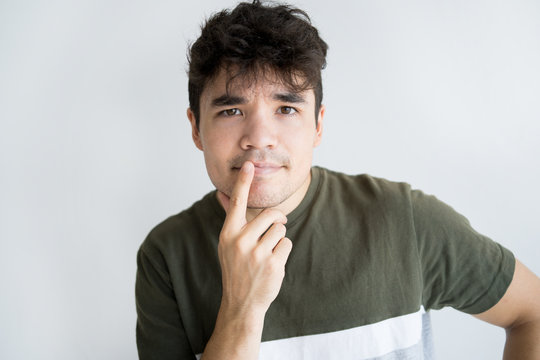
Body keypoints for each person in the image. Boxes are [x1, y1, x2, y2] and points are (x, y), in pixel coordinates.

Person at [135, 1, 540, 359]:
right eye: (231, 111)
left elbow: (532, 313)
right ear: (195, 128)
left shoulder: (405, 220)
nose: (259, 137)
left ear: (318, 125)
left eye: (287, 108)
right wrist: (242, 308)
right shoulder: (167, 257)